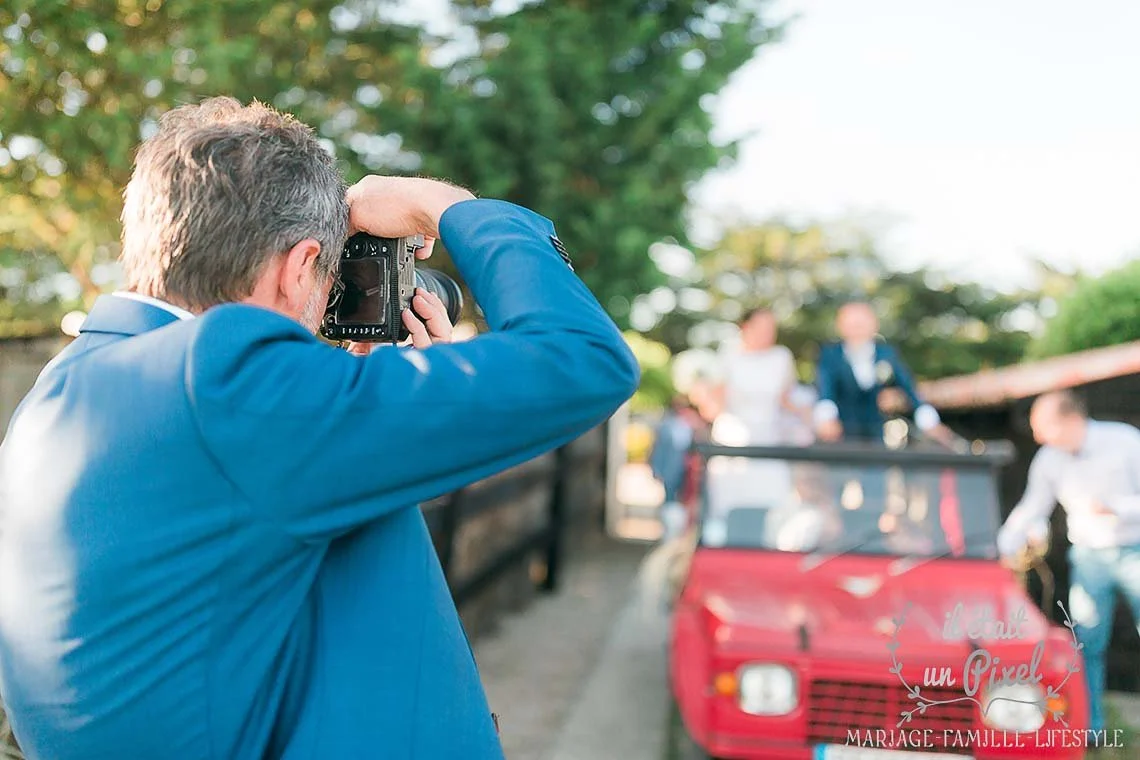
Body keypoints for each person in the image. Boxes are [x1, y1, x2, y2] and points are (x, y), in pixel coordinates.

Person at [0, 97, 639, 760]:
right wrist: (441, 203)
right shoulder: (228, 383)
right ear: (299, 266)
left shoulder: (64, 390)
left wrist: (358, 386)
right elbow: (584, 361)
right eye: (330, 274)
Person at [997, 390, 1140, 737]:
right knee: (1086, 643)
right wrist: (1003, 548)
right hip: (1089, 556)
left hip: (1135, 548)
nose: (1037, 437)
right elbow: (1033, 508)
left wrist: (1117, 509)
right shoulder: (1049, 458)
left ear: (1071, 420)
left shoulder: (1125, 442)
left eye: (1043, 428)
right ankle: (1091, 729)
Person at [814, 300, 951, 444]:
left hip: (877, 434)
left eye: (860, 324)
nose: (856, 329)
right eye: (851, 324)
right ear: (840, 326)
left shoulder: (887, 354)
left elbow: (909, 387)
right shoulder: (829, 355)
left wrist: (929, 421)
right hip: (841, 435)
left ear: (874, 324)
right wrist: (826, 419)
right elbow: (825, 390)